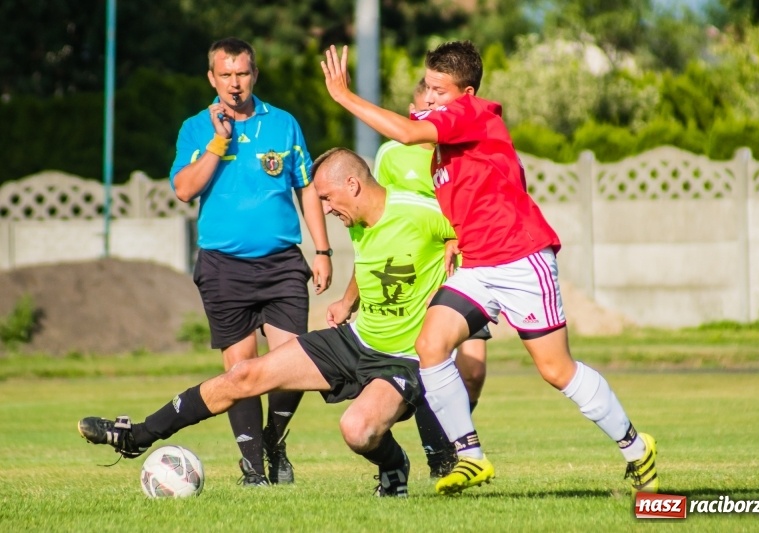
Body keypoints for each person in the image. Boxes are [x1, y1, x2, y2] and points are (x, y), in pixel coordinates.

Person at [320, 41, 658, 496]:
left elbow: (403, 132)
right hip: (479, 266)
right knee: (431, 343)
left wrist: (344, 96)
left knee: (557, 370)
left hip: (521, 259)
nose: (432, 97)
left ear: (468, 91)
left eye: (441, 90)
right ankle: (471, 457)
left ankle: (636, 447)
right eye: (429, 88)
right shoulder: (444, 121)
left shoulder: (473, 114)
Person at [79, 147, 458, 498]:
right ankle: (136, 436)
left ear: (353, 185)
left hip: (404, 357)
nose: (324, 209)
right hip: (356, 339)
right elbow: (375, 261)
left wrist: (454, 256)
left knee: (357, 431)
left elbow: (488, 232)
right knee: (243, 376)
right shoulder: (358, 220)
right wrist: (346, 301)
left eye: (326, 198)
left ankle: (394, 465)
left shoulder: (421, 211)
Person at [169, 37, 333, 486]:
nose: (235, 83)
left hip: (282, 264)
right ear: (212, 78)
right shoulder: (195, 128)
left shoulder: (283, 124)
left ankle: (274, 442)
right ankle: (253, 469)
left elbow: (307, 188)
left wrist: (322, 250)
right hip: (224, 266)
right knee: (241, 371)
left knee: (293, 364)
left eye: (242, 73)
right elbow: (185, 189)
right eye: (226, 74)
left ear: (254, 74)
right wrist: (218, 144)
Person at [373, 78, 490, 477]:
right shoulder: (390, 155)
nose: (432, 111)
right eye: (426, 103)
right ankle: (445, 459)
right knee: (432, 359)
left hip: (465, 266)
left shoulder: (458, 151)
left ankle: (448, 432)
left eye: (440, 105)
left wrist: (458, 237)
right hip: (417, 274)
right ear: (412, 109)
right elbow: (380, 215)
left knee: (473, 373)